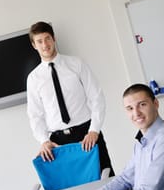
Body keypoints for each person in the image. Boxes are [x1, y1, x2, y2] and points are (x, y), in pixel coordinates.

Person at [65, 84, 164, 190]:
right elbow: (124, 180)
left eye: (142, 105)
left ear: (155, 103)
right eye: (130, 108)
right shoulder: (143, 138)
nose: (136, 113)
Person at [26, 21, 114, 176]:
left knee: (105, 181)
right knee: (69, 188)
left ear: (54, 39)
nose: (45, 44)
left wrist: (94, 130)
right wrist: (44, 141)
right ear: (34, 45)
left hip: (87, 134)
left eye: (47, 38)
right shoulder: (33, 78)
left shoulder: (76, 64)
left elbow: (97, 97)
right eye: (39, 41)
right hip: (57, 142)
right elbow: (35, 115)